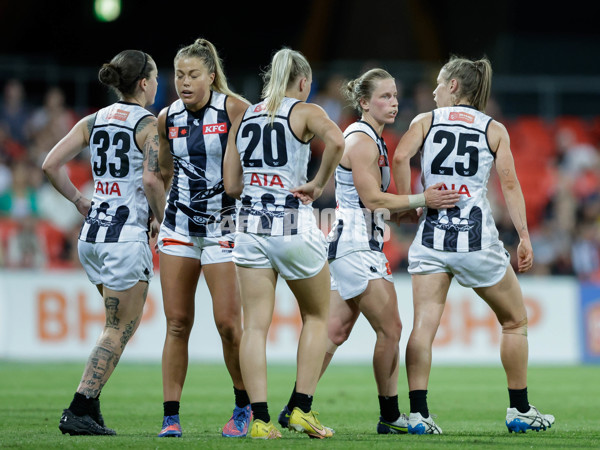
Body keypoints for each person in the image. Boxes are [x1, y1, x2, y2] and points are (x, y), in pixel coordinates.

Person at [276, 68, 460, 435]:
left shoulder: (373, 139)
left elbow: (378, 203)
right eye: (384, 97)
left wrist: (410, 210)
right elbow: (372, 198)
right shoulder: (360, 139)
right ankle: (390, 416)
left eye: (394, 96)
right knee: (391, 329)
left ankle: (297, 406)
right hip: (356, 246)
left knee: (336, 329)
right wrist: (423, 197)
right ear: (364, 103)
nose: (393, 103)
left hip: (356, 243)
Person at [392, 55, 555, 434]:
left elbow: (401, 156)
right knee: (514, 322)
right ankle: (519, 410)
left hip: (432, 238)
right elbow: (510, 184)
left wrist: (407, 203)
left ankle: (419, 414)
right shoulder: (493, 128)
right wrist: (525, 236)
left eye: (438, 83)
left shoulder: (425, 121)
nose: (432, 91)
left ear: (453, 86)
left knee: (423, 327)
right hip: (477, 241)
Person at [42, 49, 165, 436]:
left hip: (92, 235)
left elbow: (49, 164)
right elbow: (150, 179)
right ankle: (78, 407)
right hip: (125, 238)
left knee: (113, 324)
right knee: (119, 328)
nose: (159, 84)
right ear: (144, 82)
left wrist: (80, 199)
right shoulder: (147, 124)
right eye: (157, 77)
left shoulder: (93, 120)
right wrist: (162, 218)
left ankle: (91, 408)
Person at [223, 47, 344, 439]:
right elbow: (338, 142)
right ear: (304, 81)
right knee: (316, 317)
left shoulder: (245, 116)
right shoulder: (305, 111)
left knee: (254, 327)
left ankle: (259, 420)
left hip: (248, 227)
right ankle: (301, 409)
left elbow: (231, 185)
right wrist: (318, 183)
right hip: (291, 222)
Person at [155, 38, 252, 438]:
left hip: (224, 230)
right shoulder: (166, 118)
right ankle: (170, 417)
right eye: (179, 75)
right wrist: (162, 219)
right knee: (177, 323)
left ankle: (244, 405)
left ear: (212, 76)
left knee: (228, 324)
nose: (184, 82)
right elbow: (162, 170)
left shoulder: (236, 109)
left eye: (193, 74)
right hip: (179, 229)